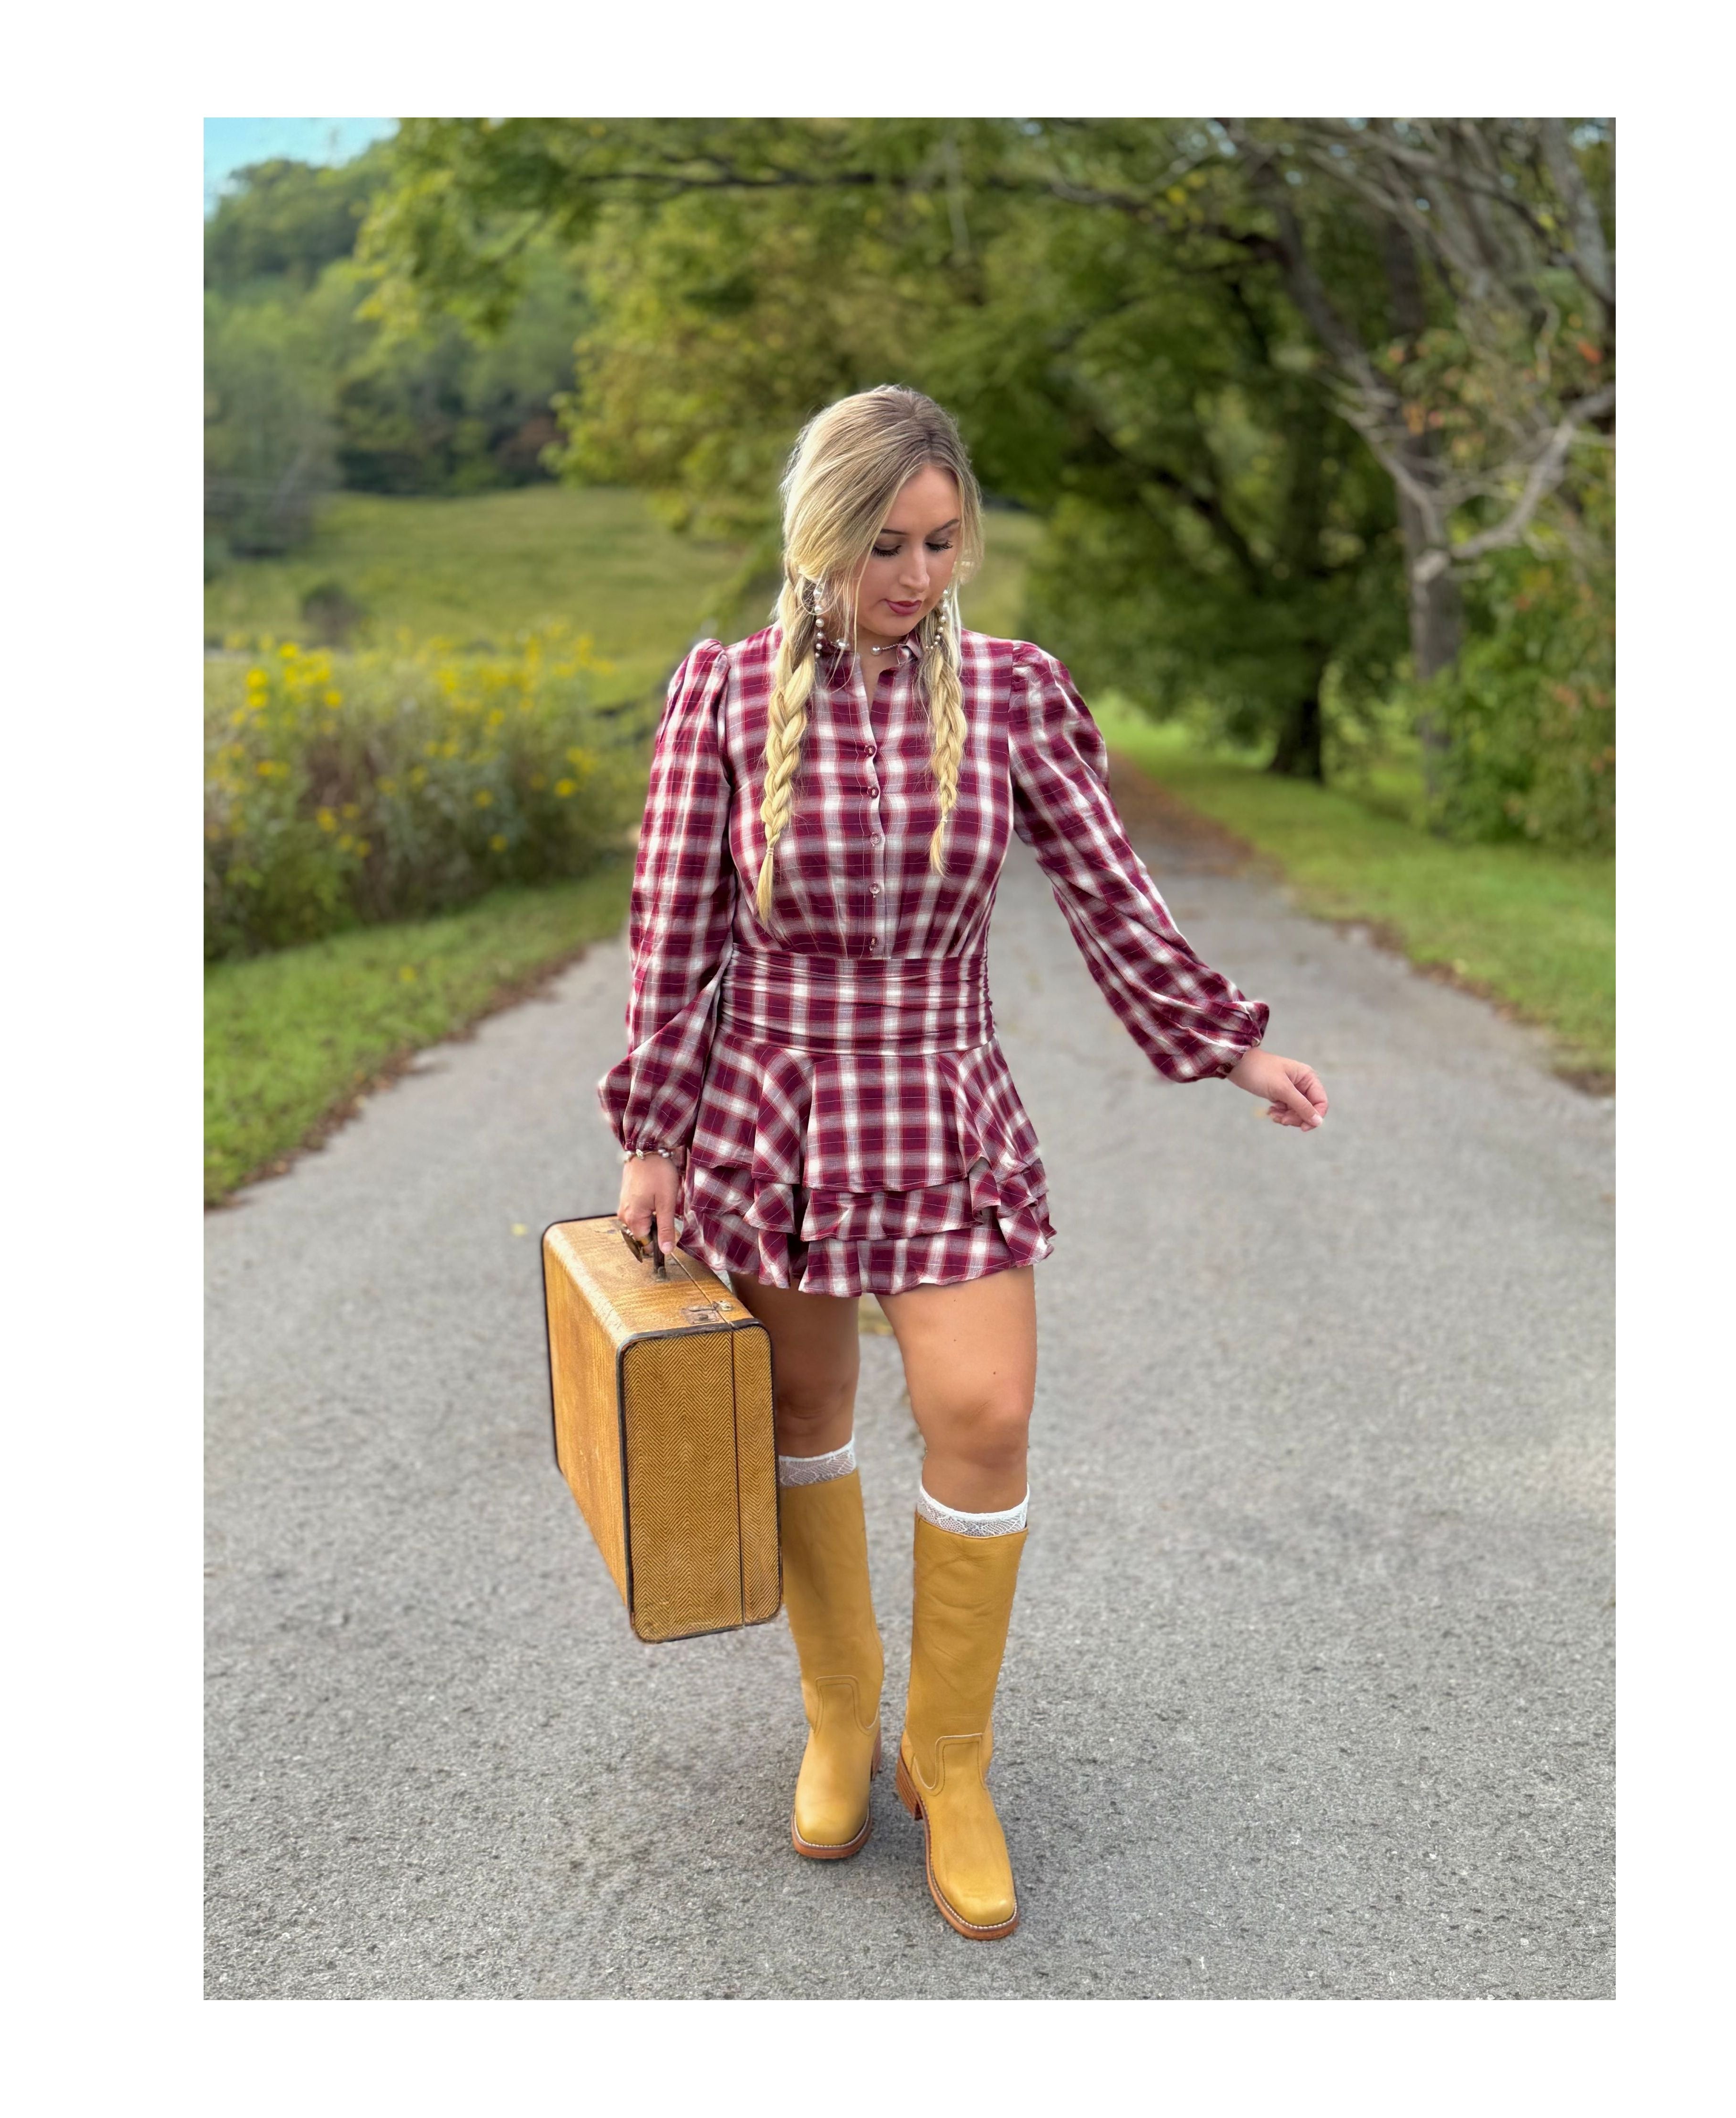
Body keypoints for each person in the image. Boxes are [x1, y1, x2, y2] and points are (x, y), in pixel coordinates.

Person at [599, 386, 1327, 1942]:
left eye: (941, 544)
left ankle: (954, 1755)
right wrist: (650, 1135)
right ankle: (842, 1716)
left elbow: (1112, 895)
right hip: (769, 1106)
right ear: (819, 538)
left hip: (942, 1091)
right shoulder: (723, 694)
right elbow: (674, 933)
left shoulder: (1011, 693)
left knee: (983, 1413)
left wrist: (1231, 1043)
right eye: (884, 545)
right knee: (802, 1413)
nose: (918, 578)